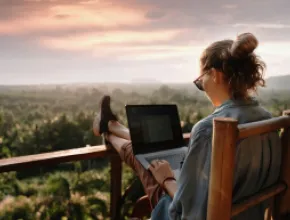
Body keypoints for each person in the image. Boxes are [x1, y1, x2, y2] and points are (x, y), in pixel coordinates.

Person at [93, 33, 281, 220]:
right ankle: (112, 126)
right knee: (152, 150)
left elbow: (188, 212)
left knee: (143, 156)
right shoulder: (267, 119)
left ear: (215, 75)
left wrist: (167, 179)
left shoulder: (210, 130)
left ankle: (109, 131)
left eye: (201, 80)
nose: (203, 86)